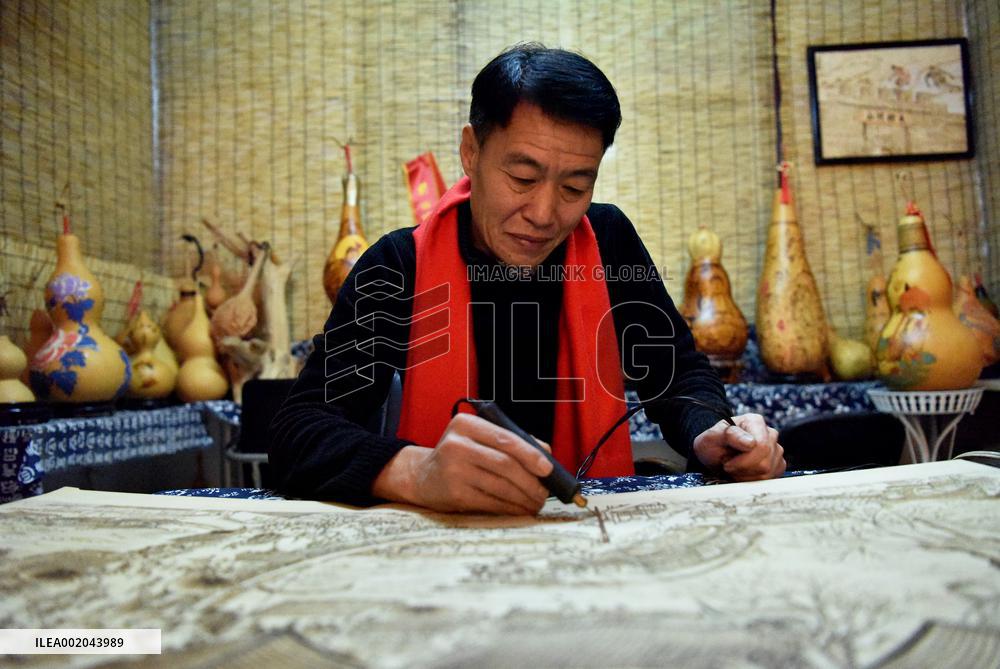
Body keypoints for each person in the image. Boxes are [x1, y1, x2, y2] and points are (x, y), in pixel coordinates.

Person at [269, 44, 785, 514]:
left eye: (574, 187)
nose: (543, 214)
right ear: (471, 151)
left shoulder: (607, 243)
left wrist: (712, 433)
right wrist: (418, 472)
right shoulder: (399, 266)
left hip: (584, 532)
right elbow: (300, 431)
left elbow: (676, 375)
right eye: (522, 178)